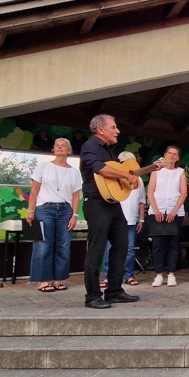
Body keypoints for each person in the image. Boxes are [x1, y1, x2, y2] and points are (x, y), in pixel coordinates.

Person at [79, 115, 141, 309]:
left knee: (122, 245)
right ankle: (92, 296)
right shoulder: (90, 146)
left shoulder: (110, 152)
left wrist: (131, 180)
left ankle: (114, 291)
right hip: (96, 204)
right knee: (96, 249)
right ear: (100, 130)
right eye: (114, 127)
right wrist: (125, 175)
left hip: (113, 204)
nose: (118, 131)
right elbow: (100, 169)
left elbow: (115, 181)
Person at [26, 137, 83, 293]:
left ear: (68, 151)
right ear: (53, 149)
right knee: (43, 244)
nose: (59, 147)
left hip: (65, 210)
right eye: (57, 145)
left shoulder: (74, 172)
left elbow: (76, 195)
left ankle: (58, 279)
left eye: (63, 145)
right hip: (45, 208)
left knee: (63, 246)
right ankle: (43, 280)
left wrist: (75, 215)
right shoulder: (43, 166)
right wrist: (30, 211)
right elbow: (34, 190)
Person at [100, 151, 151, 287]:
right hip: (114, 219)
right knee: (110, 248)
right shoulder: (113, 177)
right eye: (121, 162)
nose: (122, 164)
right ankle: (107, 277)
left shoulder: (138, 179)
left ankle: (129, 275)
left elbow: (141, 201)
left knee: (130, 249)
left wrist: (141, 219)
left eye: (126, 162)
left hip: (131, 220)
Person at [148, 145, 187, 287]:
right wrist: (156, 210)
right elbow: (150, 191)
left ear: (177, 158)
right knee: (157, 244)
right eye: (169, 153)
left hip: (174, 212)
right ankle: (158, 274)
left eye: (175, 154)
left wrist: (173, 211)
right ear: (165, 155)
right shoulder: (156, 171)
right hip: (157, 211)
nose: (171, 156)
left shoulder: (180, 172)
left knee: (173, 244)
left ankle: (171, 274)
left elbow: (183, 193)